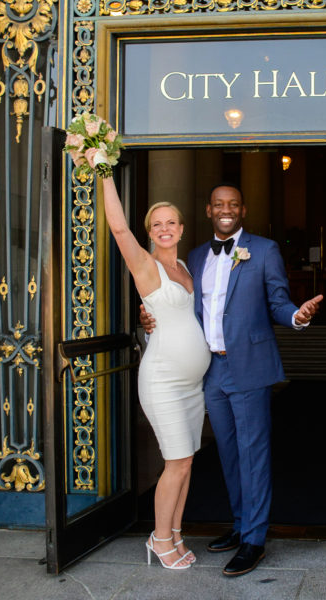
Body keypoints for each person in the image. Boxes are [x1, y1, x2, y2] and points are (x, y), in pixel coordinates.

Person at [141, 182, 323, 577]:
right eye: (219, 204)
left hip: (250, 367)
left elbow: (277, 300)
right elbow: (181, 311)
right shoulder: (193, 256)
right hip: (210, 369)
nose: (226, 209)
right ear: (208, 211)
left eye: (234, 204)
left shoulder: (263, 249)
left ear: (242, 210)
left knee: (253, 454)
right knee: (227, 452)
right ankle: (241, 525)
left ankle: (254, 541)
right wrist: (149, 321)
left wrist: (297, 316)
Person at [85, 148, 211, 570]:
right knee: (174, 462)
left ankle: (175, 532)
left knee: (188, 461)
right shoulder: (146, 266)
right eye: (155, 225)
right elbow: (119, 229)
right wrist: (104, 168)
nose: (163, 229)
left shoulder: (189, 271)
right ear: (149, 232)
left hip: (193, 386)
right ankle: (158, 540)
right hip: (163, 381)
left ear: (181, 228)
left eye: (170, 223)